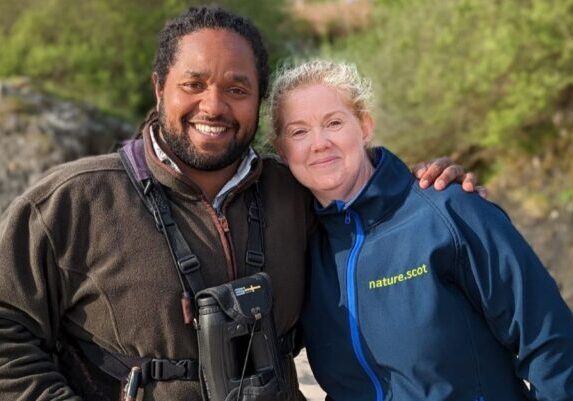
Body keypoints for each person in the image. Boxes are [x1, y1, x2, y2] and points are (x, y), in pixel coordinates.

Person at [0, 7, 475, 401]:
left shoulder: (299, 191)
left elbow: (383, 221)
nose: (214, 106)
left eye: (237, 89)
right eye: (194, 84)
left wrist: (431, 190)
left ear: (259, 101)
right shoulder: (71, 201)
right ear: (159, 86)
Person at [269, 59, 573, 401]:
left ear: (365, 126)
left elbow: (551, 342)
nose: (319, 142)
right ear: (282, 150)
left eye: (334, 122)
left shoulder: (450, 211)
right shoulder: (302, 243)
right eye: (299, 131)